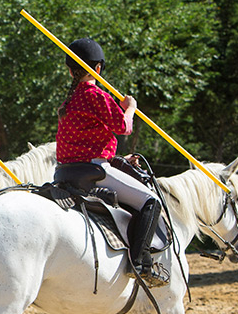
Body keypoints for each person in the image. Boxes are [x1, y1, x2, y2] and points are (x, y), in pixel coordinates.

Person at [54, 38, 168, 286]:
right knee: (151, 201)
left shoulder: (68, 102)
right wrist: (130, 108)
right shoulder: (96, 96)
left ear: (70, 70)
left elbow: (85, 141)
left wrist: (119, 158)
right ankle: (140, 263)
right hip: (94, 170)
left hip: (65, 172)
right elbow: (124, 127)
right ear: (97, 69)